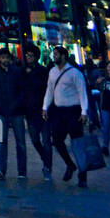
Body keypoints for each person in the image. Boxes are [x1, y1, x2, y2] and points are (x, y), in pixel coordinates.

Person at [43, 46, 90, 187]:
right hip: (59, 112)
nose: (54, 56)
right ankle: (70, 164)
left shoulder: (75, 73)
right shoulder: (52, 72)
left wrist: (84, 111)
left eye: (57, 54)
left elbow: (82, 92)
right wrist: (45, 107)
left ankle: (83, 175)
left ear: (64, 56)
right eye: (54, 54)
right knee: (57, 141)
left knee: (77, 143)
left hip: (74, 111)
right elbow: (49, 90)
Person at [0, 48, 27, 179]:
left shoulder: (17, 72)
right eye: (3, 58)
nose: (5, 60)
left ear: (10, 59)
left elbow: (22, 90)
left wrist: (18, 103)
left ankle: (22, 171)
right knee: (1, 142)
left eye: (7, 57)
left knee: (20, 142)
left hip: (17, 112)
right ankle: (0, 169)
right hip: (1, 112)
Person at [20, 44, 53, 176]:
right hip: (30, 111)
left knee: (46, 141)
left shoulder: (43, 71)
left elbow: (48, 90)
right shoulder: (23, 72)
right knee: (34, 139)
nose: (28, 57)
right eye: (27, 55)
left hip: (43, 110)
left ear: (36, 57)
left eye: (31, 55)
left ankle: (47, 166)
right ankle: (45, 159)